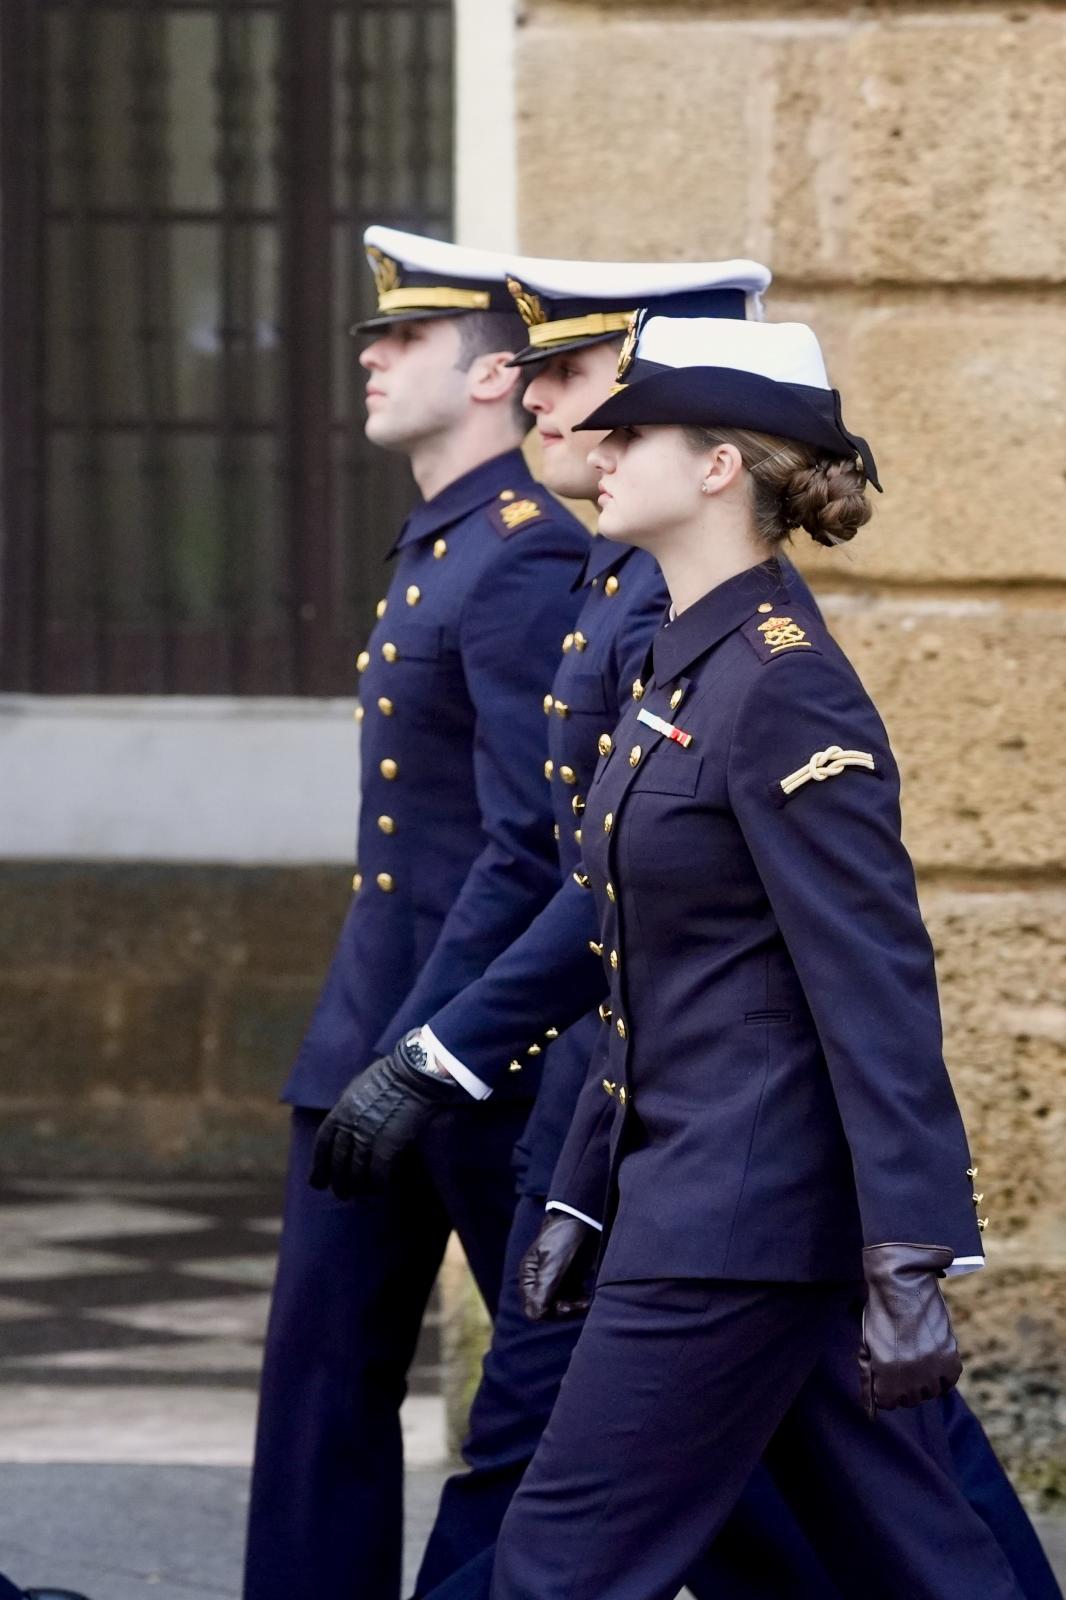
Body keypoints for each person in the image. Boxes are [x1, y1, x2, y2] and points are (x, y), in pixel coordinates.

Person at [486, 315, 1033, 1600]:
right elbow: (656, 975)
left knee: (560, 1561)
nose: (595, 447)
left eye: (632, 428)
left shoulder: (784, 682)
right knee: (914, 1555)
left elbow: (871, 977)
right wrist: (580, 1190)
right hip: (706, 1195)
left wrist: (911, 1250)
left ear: (720, 466)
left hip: (734, 1219)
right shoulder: (688, 663)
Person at [242, 227, 591, 1600]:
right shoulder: (444, 541)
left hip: (473, 1056)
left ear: (497, 374)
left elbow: (527, 841)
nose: (371, 357)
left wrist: (432, 1046)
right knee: (320, 1375)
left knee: (565, 1387)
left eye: (403, 340)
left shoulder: (518, 554)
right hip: (370, 1038)